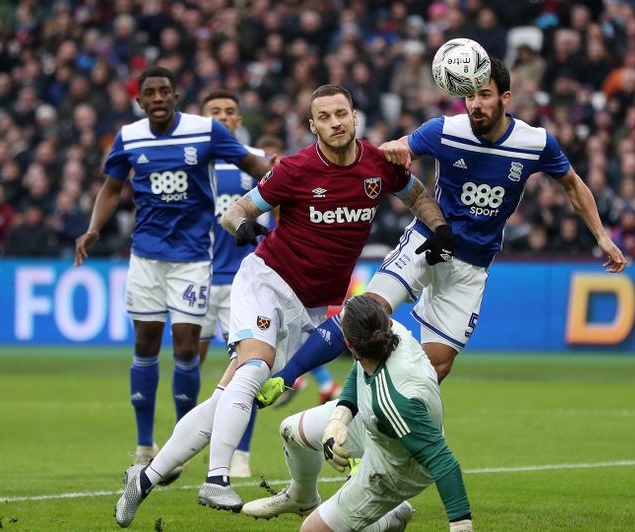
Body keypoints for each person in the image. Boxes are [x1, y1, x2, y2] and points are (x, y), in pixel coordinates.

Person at [114, 84, 450, 526]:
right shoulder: (295, 169)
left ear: (354, 117)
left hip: (310, 308)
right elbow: (235, 212)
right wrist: (243, 229)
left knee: (230, 401)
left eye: (341, 114)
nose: (335, 123)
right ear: (313, 127)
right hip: (266, 281)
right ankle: (217, 478)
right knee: (253, 369)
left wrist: (439, 227)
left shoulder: (377, 165)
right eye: (324, 117)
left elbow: (419, 196)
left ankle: (145, 478)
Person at [258, 57, 626, 404]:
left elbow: (574, 185)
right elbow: (397, 149)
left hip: (471, 266)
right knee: (366, 312)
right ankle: (285, 377)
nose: (475, 104)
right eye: (468, 95)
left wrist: (602, 237)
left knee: (436, 367)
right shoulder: (444, 130)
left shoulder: (535, 142)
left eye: (484, 94)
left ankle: (362, 418)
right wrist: (396, 149)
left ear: (505, 97)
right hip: (427, 239)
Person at [74, 66, 271, 473]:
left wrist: (285, 174)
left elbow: (252, 165)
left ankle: (179, 446)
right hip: (145, 258)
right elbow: (111, 188)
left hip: (193, 257)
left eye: (166, 90)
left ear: (176, 96)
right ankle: (145, 446)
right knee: (145, 346)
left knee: (185, 348)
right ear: (141, 101)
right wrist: (94, 229)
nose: (159, 98)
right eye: (151, 93)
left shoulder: (204, 131)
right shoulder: (129, 137)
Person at [197, 89, 342, 478]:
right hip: (197, 274)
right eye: (215, 113)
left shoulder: (254, 162)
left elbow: (285, 206)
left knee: (248, 368)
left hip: (247, 277)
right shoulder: (191, 162)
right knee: (190, 362)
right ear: (203, 118)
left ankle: (235, 456)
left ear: (239, 119)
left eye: (230, 112)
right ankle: (191, 451)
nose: (223, 118)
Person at [243, 295, 473, 532]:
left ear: (349, 344)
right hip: (377, 420)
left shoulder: (394, 400)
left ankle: (393, 514)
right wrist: (338, 420)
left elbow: (444, 463)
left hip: (398, 462)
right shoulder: (389, 333)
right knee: (291, 430)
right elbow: (359, 369)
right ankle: (302, 498)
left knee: (311, 531)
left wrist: (461, 526)